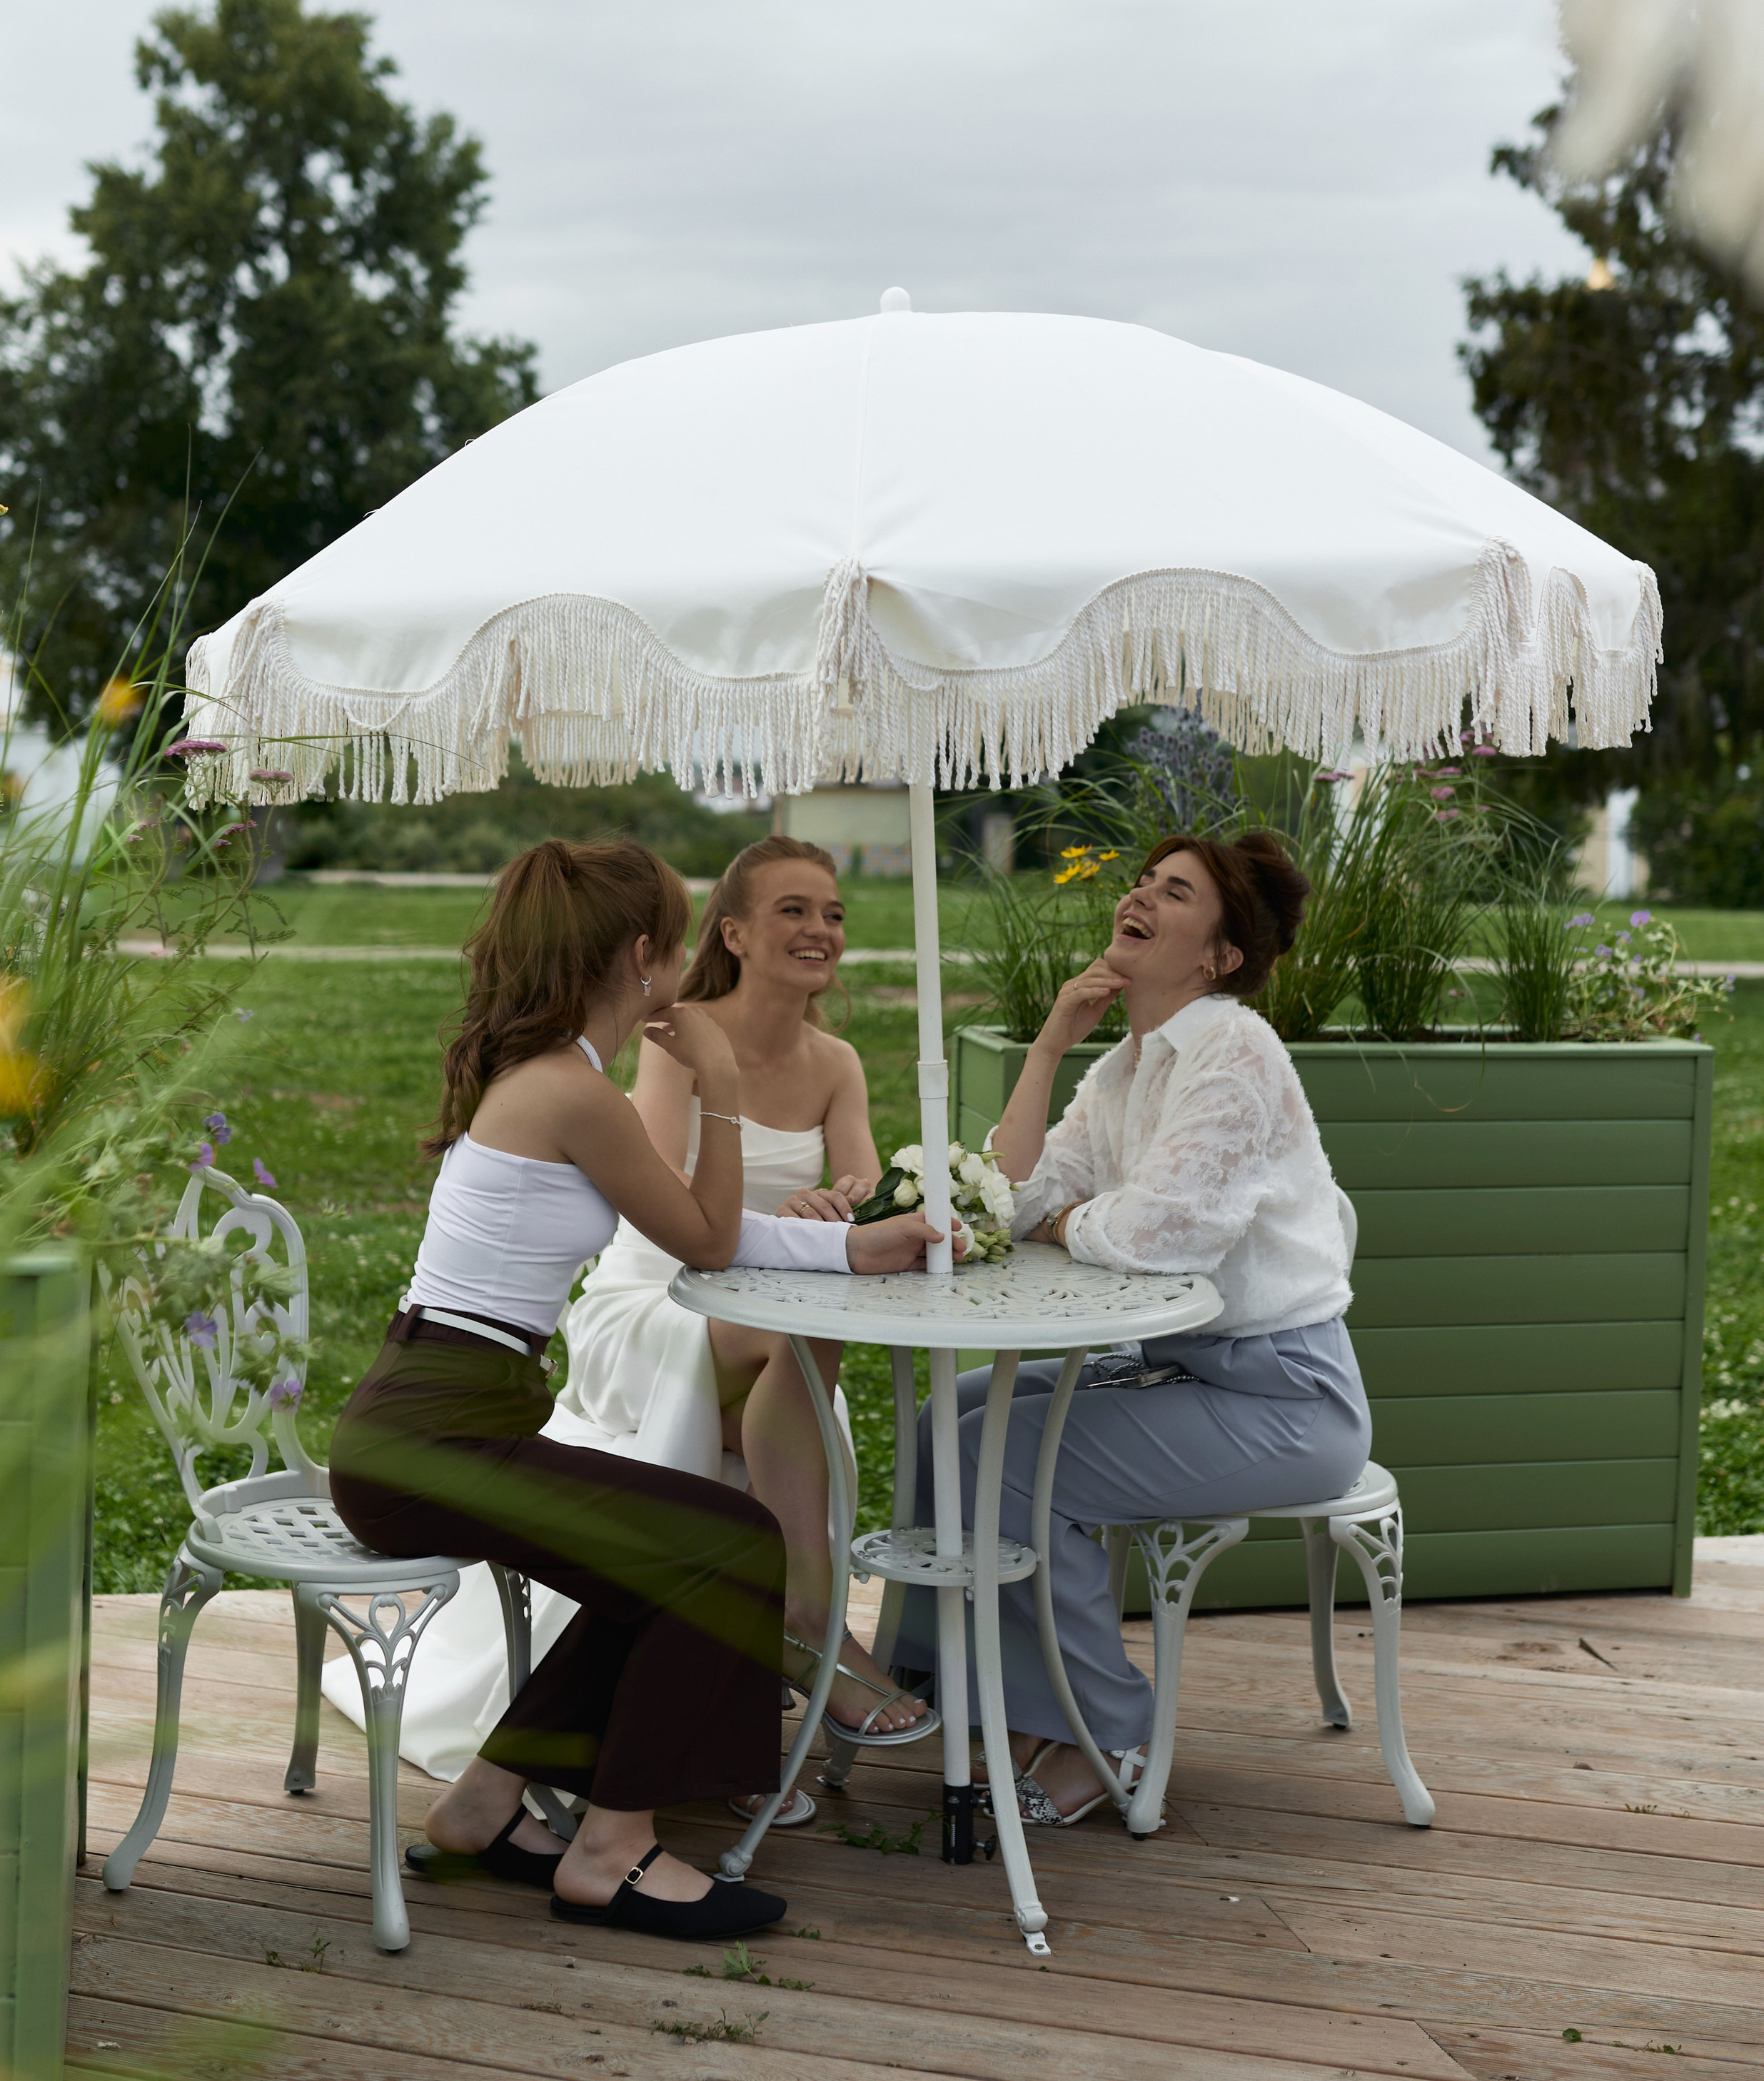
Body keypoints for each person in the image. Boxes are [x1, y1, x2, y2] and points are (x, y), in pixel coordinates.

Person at [326, 839, 945, 1940]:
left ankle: (485, 1806)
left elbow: (707, 1230)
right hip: (435, 1439)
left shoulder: (558, 1082)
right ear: (646, 956)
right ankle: (613, 1848)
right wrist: (712, 1079)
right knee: (731, 1542)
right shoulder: (573, 1092)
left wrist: (857, 1250)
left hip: (439, 1428)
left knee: (678, 1550)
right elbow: (707, 1234)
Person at [897, 829, 1369, 1828]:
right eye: (1144, 880)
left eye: (1178, 892)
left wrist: (1074, 1221)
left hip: (1286, 1396)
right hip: (1188, 1374)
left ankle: (1104, 1730)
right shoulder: (1124, 1066)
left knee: (1016, 1461)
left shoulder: (1234, 1049)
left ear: (1220, 956)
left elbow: (1166, 1233)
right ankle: (988, 1702)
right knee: (957, 1414)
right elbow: (1011, 1197)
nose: (1141, 897)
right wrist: (1049, 1044)